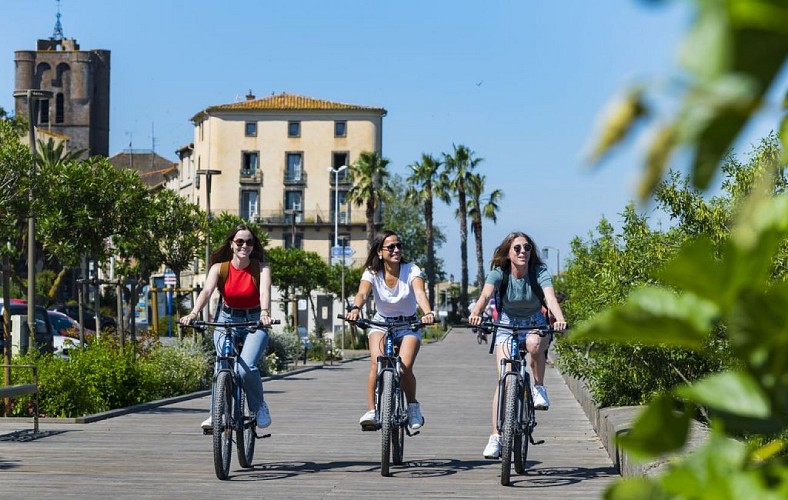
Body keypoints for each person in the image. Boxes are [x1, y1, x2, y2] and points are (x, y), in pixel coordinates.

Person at [468, 231, 567, 459]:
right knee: (504, 377)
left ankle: (539, 387)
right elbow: (485, 296)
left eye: (527, 248)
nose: (523, 252)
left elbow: (550, 299)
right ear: (508, 252)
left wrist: (559, 318)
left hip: (533, 320)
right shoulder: (499, 272)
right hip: (506, 323)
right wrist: (476, 313)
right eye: (518, 248)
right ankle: (495, 436)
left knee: (534, 344)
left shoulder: (539, 272)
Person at [179, 224, 274, 430]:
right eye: (239, 242)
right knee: (222, 365)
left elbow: (264, 292)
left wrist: (265, 313)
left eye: (249, 242)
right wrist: (194, 313)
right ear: (232, 244)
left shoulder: (261, 268)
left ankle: (259, 407)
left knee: (245, 367)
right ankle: (217, 414)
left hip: (254, 320)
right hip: (226, 319)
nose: (244, 246)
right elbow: (206, 292)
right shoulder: (219, 268)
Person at [345, 230, 435, 429]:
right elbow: (362, 293)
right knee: (377, 365)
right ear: (379, 251)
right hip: (381, 322)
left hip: (408, 324)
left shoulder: (411, 269)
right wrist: (355, 309)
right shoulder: (372, 272)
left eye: (398, 246)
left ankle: (412, 407)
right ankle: (372, 411)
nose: (396, 250)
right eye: (391, 247)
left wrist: (428, 312)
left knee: (403, 368)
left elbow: (420, 293)